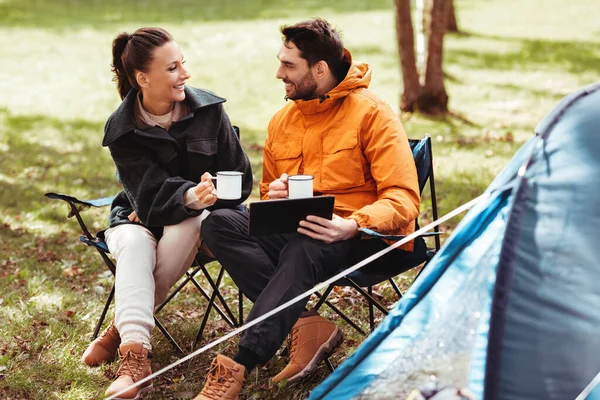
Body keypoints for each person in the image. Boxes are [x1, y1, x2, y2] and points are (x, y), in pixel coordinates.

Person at [195, 18, 427, 399]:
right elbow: (270, 191)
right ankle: (306, 323)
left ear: (319, 69)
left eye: (289, 66)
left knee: (307, 245)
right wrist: (278, 195)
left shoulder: (372, 113)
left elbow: (404, 199)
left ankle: (238, 364)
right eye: (280, 62)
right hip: (301, 227)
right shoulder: (283, 120)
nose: (278, 73)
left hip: (364, 237)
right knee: (219, 223)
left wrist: (351, 225)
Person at [79, 27, 252, 399]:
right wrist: (184, 196)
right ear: (143, 78)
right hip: (134, 217)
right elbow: (145, 197)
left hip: (196, 226)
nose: (185, 75)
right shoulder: (122, 130)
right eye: (172, 68)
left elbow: (242, 179)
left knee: (191, 220)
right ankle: (136, 359)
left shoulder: (209, 110)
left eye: (182, 64)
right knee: (133, 242)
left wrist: (202, 197)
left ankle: (122, 332)